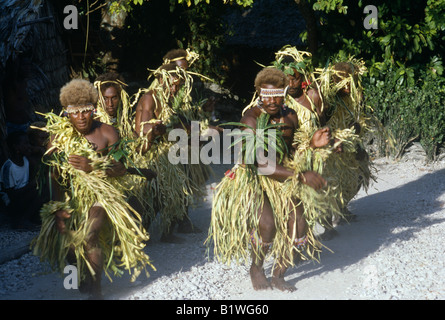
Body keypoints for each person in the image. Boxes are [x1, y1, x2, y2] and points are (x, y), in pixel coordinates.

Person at [209, 67, 336, 291]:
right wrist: (299, 176)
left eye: (277, 95)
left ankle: (278, 274)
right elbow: (258, 163)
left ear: (285, 92)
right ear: (259, 94)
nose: (272, 101)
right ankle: (256, 267)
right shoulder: (251, 119)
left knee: (299, 225)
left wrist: (311, 145)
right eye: (266, 96)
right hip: (252, 178)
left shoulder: (290, 116)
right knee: (267, 225)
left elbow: (291, 151)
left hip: (282, 176)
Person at [32, 79, 154, 299]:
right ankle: (82, 275)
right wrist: (57, 209)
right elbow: (52, 175)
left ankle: (96, 292)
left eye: (86, 111)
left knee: (90, 234)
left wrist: (93, 166)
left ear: (93, 110)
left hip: (102, 195)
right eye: (75, 112)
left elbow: (121, 168)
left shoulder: (107, 133)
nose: (81, 117)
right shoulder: (57, 139)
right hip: (69, 197)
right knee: (70, 245)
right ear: (66, 113)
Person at [0, 131, 41, 229]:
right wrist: (31, 185)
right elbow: (11, 195)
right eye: (25, 143)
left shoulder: (26, 160)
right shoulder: (9, 167)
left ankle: (28, 218)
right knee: (40, 192)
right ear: (16, 147)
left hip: (23, 197)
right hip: (11, 203)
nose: (29, 146)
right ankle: (21, 221)